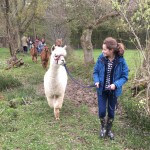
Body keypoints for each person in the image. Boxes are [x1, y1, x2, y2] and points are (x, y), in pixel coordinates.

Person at [93, 37, 129, 140]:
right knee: (102, 112)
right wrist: (96, 81)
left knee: (111, 112)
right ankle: (102, 128)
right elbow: (95, 72)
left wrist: (116, 84)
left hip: (114, 92)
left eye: (104, 49)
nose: (102, 51)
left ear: (111, 50)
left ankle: (108, 130)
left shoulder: (121, 61)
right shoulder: (101, 58)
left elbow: (125, 76)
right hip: (102, 91)